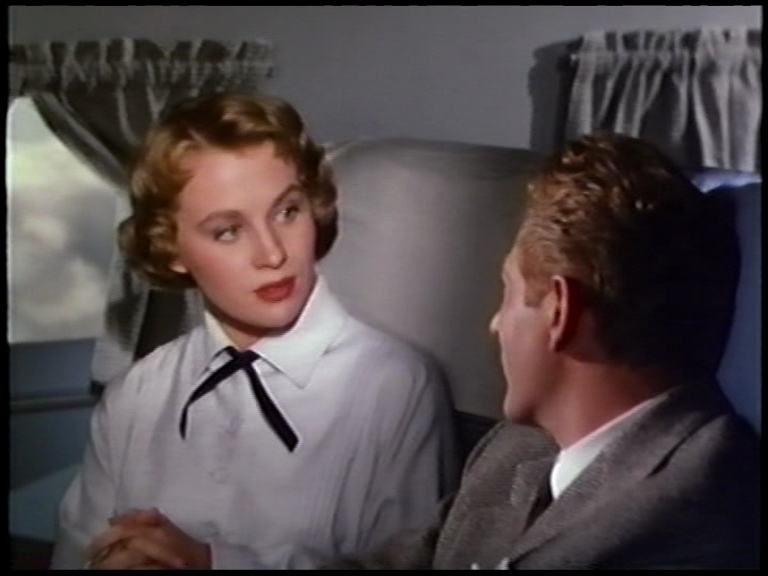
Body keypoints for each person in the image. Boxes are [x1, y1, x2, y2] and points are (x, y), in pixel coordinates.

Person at [49, 92, 458, 569]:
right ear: (170, 248)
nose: (272, 254)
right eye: (228, 231)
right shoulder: (136, 395)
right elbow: (75, 555)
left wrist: (210, 564)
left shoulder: (393, 385)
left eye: (287, 212)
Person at [323, 133, 760, 569]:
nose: (496, 325)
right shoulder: (517, 450)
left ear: (558, 312)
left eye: (509, 292)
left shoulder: (703, 511)